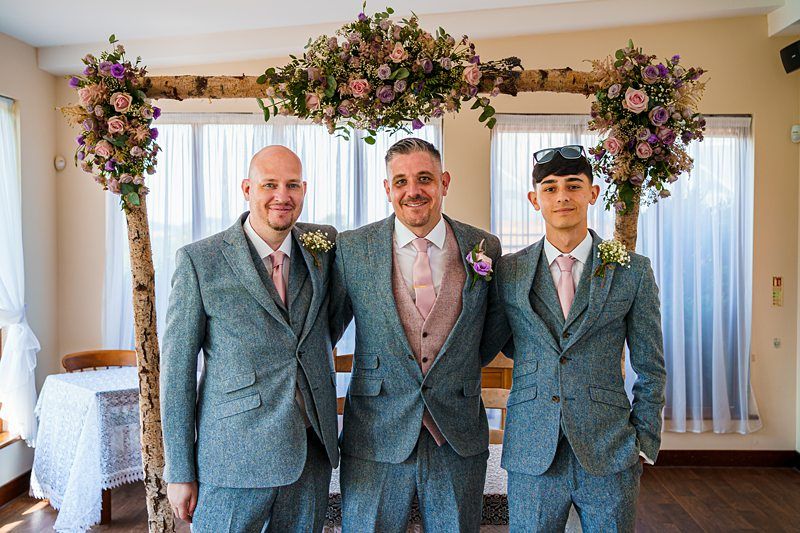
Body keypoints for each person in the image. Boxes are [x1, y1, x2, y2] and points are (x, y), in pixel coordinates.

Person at [330, 137, 508, 533]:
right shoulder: (353, 248)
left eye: (424, 178)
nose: (413, 191)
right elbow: (326, 328)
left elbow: (490, 332)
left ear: (444, 182)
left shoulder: (484, 247)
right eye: (401, 181)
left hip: (457, 433)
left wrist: (454, 370)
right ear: (387, 188)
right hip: (375, 434)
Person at [161, 145, 339, 532]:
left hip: (311, 453)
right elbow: (176, 372)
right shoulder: (200, 261)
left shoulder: (322, 244)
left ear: (304, 189)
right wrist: (179, 470)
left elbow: (326, 326)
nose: (282, 195)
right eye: (269, 184)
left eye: (292, 185)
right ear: (247, 188)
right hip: (232, 455)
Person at [495, 145, 666, 532]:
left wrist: (643, 440)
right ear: (534, 198)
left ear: (592, 193)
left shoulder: (632, 271)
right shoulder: (510, 271)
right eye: (550, 188)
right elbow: (503, 341)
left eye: (573, 186)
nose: (562, 197)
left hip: (610, 447)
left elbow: (650, 364)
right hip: (532, 448)